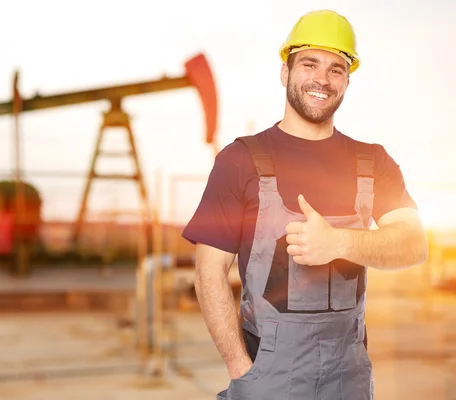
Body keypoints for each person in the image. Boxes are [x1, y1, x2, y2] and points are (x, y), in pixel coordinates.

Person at [181, 9, 428, 400]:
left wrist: (340, 244)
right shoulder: (241, 160)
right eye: (309, 63)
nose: (322, 79)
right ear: (285, 72)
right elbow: (209, 272)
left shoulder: (373, 162)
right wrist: (240, 368)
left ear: (347, 81)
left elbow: (414, 244)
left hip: (349, 375)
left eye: (336, 69)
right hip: (267, 374)